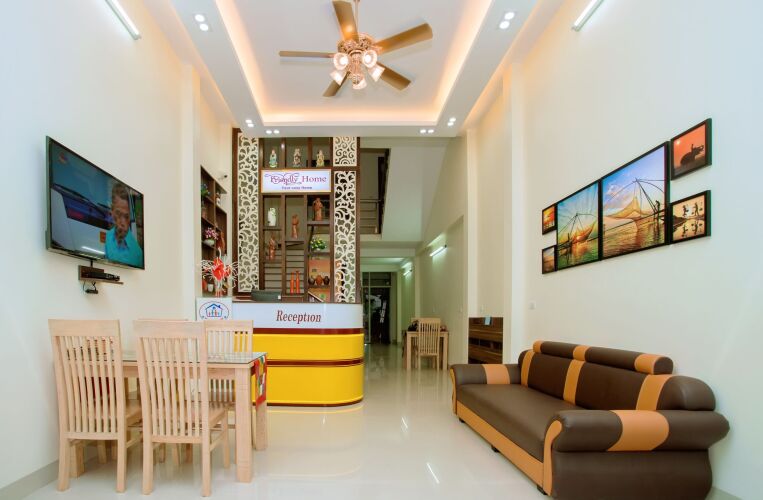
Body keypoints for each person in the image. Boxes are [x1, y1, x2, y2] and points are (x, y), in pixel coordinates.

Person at [104, 183, 144, 267]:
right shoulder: (107, 237)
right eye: (118, 214)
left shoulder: (138, 254)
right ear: (112, 211)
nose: (122, 223)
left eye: (126, 216)